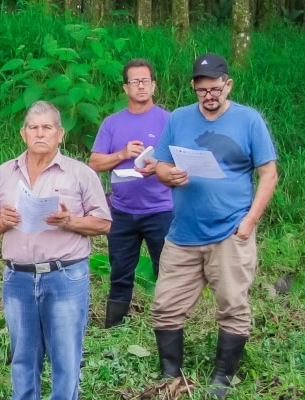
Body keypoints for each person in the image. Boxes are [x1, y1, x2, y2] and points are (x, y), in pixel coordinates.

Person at [150, 53, 278, 399]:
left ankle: (222, 378)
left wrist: (250, 221)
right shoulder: (178, 118)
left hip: (231, 230)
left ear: (228, 85)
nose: (209, 95)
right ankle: (170, 372)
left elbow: (268, 173)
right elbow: (160, 164)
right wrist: (168, 174)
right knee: (164, 305)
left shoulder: (248, 120)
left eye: (216, 89)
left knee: (233, 305)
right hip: (184, 232)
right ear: (193, 86)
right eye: (202, 89)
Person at [0, 101, 111, 400]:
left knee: (65, 357)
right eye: (33, 127)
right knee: (23, 357)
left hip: (64, 277)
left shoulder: (80, 173)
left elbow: (103, 222)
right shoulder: (4, 174)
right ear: (23, 134)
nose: (40, 133)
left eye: (47, 127)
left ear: (60, 134)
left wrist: (70, 221)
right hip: (18, 278)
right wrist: (3, 221)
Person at [87, 59, 173, 328]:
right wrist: (122, 154)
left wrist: (158, 167)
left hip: (161, 209)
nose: (141, 86)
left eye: (145, 81)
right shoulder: (112, 124)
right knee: (120, 272)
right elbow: (94, 163)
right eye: (135, 81)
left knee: (167, 271)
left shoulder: (168, 120)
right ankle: (114, 327)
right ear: (126, 88)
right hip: (122, 211)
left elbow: (183, 161)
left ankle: (166, 324)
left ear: (154, 85)